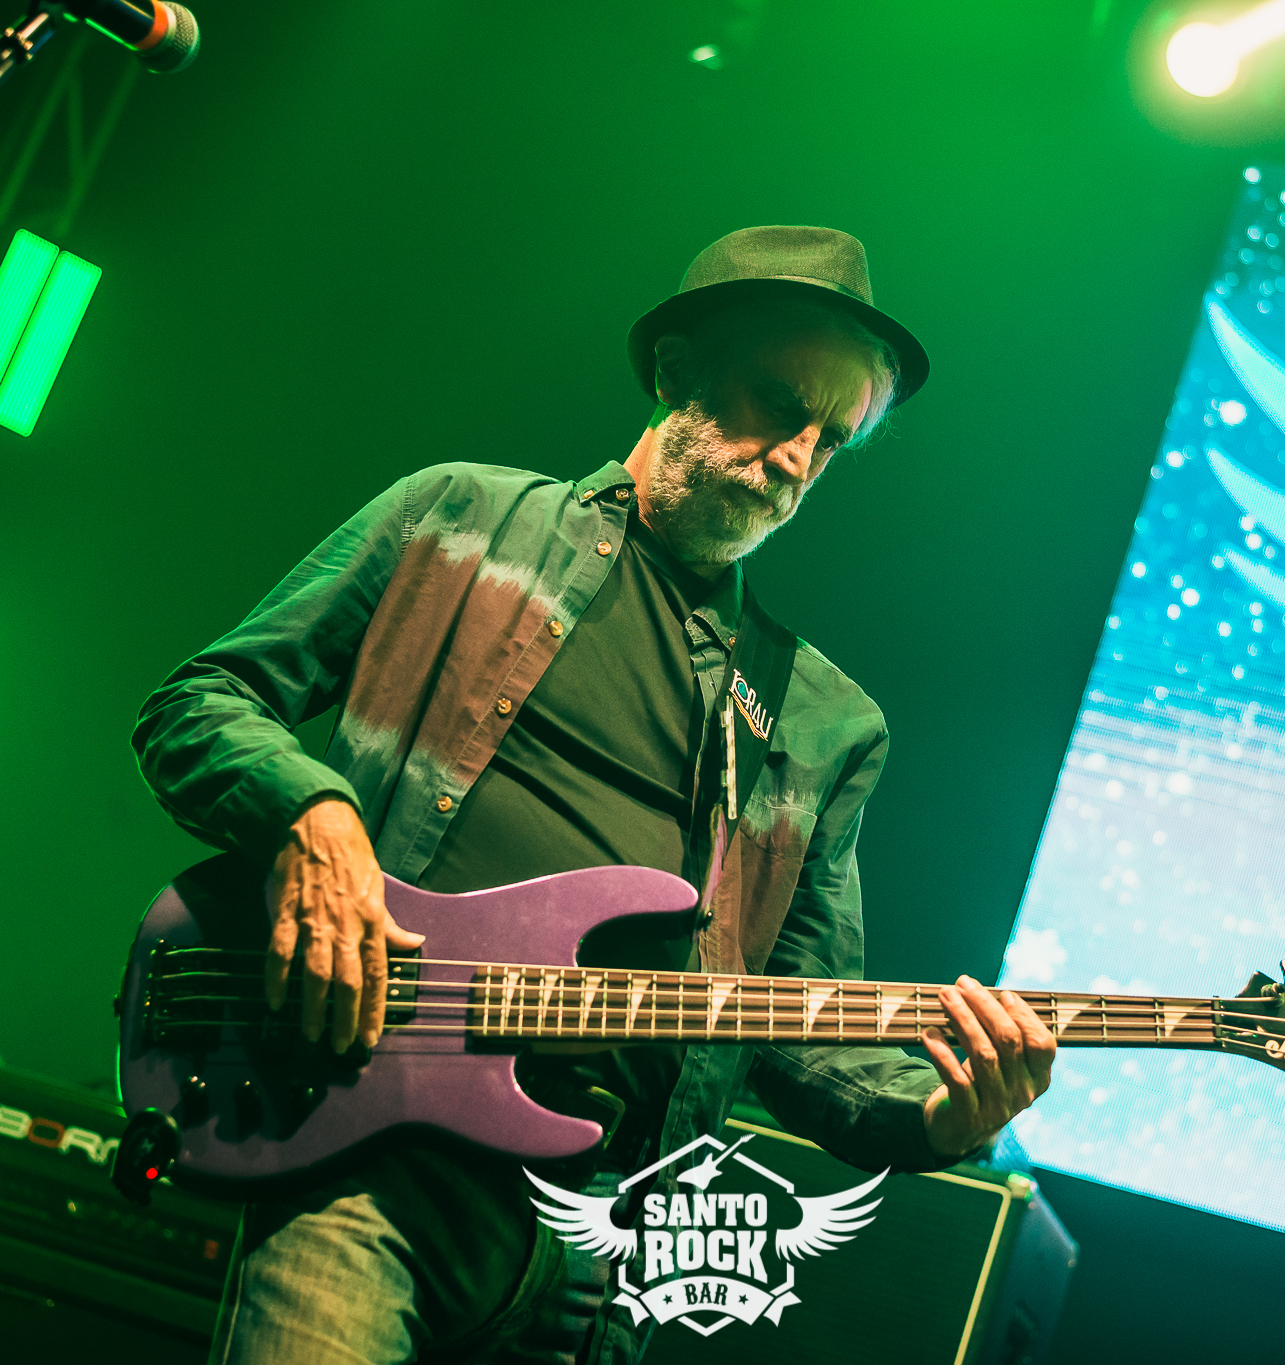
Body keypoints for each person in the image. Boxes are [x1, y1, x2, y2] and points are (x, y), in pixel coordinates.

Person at [131, 225, 1058, 1365]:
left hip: (607, 1248)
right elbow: (199, 703)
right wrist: (310, 821)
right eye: (780, 405)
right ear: (675, 369)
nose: (795, 458)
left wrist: (942, 1116)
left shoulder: (823, 722)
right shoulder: (458, 520)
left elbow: (800, 1024)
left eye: (829, 440)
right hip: (368, 1160)